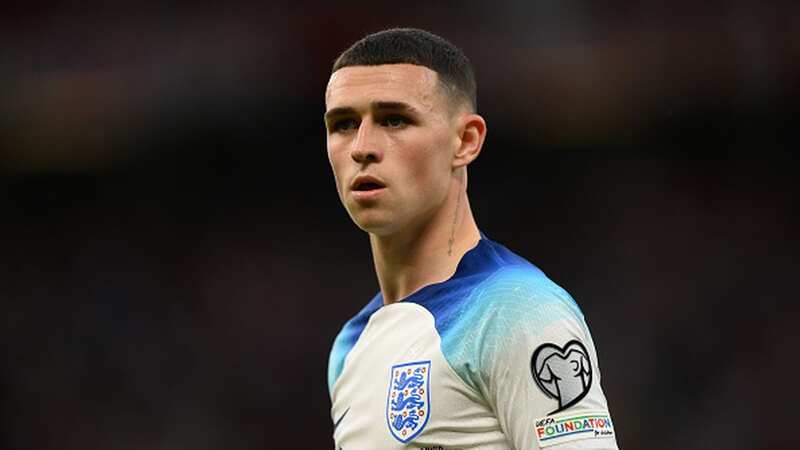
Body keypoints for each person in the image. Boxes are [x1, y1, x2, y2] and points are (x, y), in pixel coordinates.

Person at [324, 28, 618, 449]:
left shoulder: (514, 310)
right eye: (344, 124)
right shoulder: (350, 347)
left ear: (465, 141)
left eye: (395, 119)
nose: (363, 147)